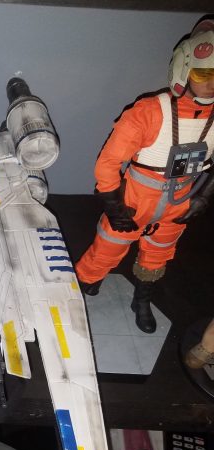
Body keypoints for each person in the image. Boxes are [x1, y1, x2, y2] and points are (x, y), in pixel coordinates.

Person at [75, 18, 214, 333]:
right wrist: (114, 205)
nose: (211, 84)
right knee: (107, 247)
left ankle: (142, 299)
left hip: (180, 201)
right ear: (184, 69)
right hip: (136, 200)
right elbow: (108, 162)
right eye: (203, 74)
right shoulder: (149, 112)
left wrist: (204, 197)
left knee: (157, 256)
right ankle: (86, 283)